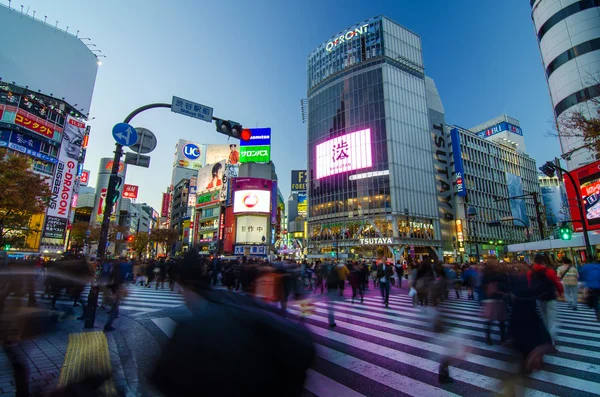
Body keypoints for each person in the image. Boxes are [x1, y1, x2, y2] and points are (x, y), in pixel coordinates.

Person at [527, 253, 563, 344]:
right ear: (543, 261)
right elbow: (557, 283)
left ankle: (547, 337)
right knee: (551, 319)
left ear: (534, 261)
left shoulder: (530, 272)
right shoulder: (549, 271)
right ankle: (552, 339)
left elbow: (529, 285)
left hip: (539, 297)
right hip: (550, 296)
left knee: (544, 317)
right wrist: (560, 292)